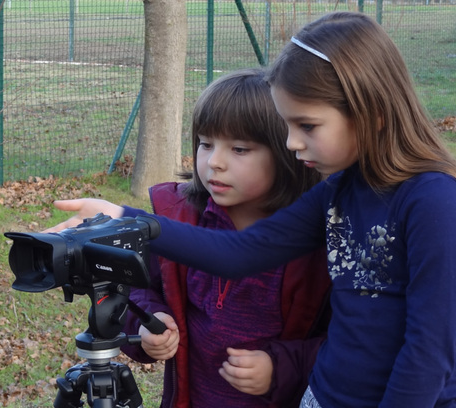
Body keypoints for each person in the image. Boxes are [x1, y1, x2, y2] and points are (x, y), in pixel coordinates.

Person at [45, 11, 456, 407]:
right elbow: (240, 253)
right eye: (287, 125)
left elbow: (431, 353)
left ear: (370, 111)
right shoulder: (340, 191)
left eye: (307, 125)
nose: (292, 142)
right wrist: (126, 218)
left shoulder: (439, 205)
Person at [116, 68, 331, 408]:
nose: (214, 162)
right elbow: (133, 291)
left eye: (240, 149)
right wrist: (146, 327)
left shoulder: (318, 245)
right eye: (205, 144)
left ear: (288, 153)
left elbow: (344, 345)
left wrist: (280, 367)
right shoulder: (180, 221)